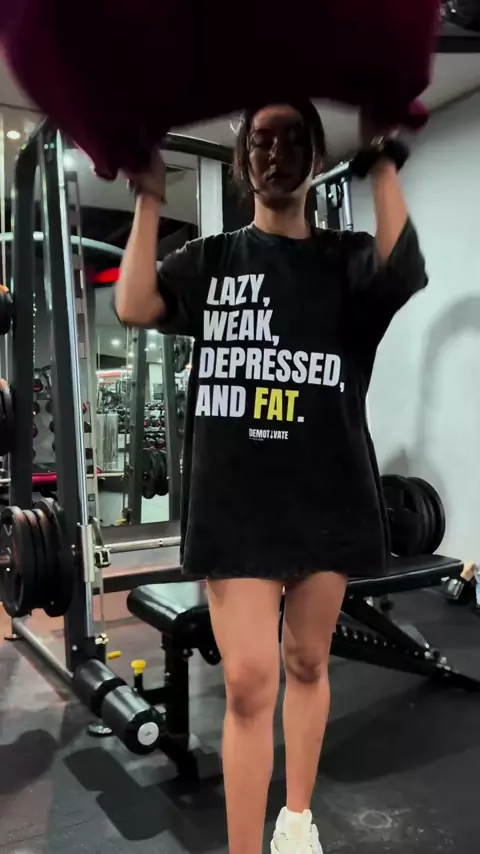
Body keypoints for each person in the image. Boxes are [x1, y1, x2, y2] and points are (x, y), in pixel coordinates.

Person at [115, 98, 427, 854]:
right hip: (237, 503)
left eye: (293, 141)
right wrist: (150, 198)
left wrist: (382, 158)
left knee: (308, 661)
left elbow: (405, 269)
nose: (276, 154)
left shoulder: (348, 260)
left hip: (327, 494)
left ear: (316, 159)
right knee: (251, 682)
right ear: (242, 160)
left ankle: (295, 821)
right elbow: (133, 302)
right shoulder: (212, 261)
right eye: (261, 141)